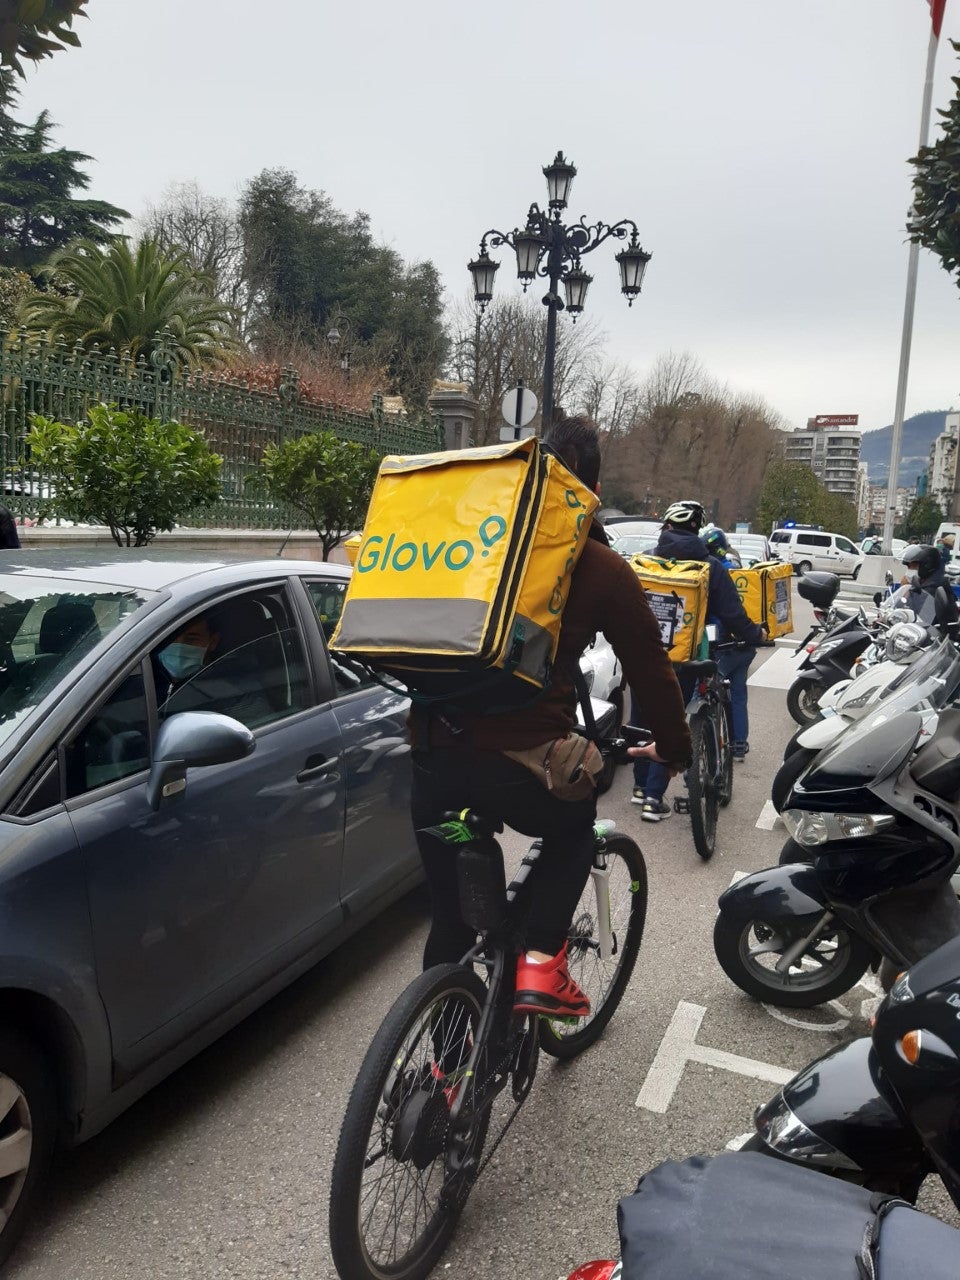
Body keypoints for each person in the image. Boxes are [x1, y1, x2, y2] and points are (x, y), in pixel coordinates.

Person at [410, 416, 692, 1020]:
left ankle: (440, 1068)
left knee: (449, 923)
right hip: (521, 765)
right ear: (591, 490)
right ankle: (541, 961)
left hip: (433, 756)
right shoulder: (599, 566)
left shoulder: (477, 542)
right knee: (574, 825)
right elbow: (651, 670)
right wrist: (674, 750)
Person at [632, 500, 764, 821]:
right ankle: (652, 798)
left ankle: (639, 786)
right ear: (697, 530)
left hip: (643, 653)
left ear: (667, 527)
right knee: (672, 720)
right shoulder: (710, 567)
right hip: (685, 657)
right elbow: (733, 614)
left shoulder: (646, 560)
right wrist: (755, 634)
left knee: (642, 718)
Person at [700, 526, 758, 766]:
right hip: (745, 642)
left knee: (706, 692)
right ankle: (739, 745)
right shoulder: (737, 568)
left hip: (723, 643)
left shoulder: (711, 572)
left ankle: (706, 742)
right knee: (738, 695)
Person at [894, 544, 959, 625]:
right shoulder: (920, 584)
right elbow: (900, 607)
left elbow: (922, 620)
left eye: (913, 566)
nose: (909, 571)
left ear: (927, 565)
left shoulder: (934, 588)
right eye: (908, 567)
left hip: (938, 631)